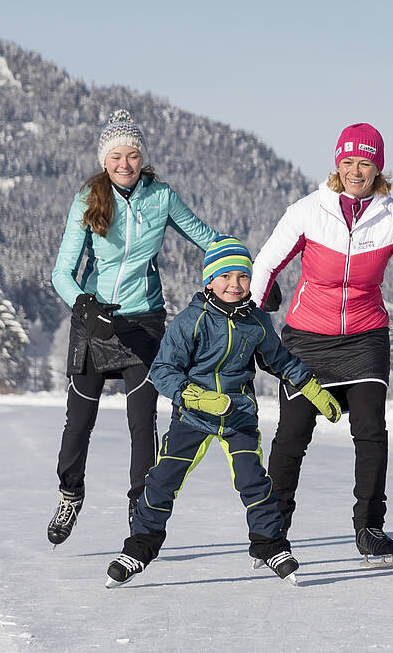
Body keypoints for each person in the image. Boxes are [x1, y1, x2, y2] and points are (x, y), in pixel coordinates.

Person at [251, 123, 393, 565]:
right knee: (292, 436)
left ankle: (369, 526)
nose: (355, 171)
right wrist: (254, 313)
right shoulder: (308, 211)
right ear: (336, 165)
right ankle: (272, 530)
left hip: (365, 338)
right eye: (347, 162)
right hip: (307, 339)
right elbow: (266, 262)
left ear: (378, 167)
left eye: (364, 163)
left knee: (370, 432)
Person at [106, 237, 342, 587]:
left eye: (242, 277)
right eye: (226, 276)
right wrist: (195, 397)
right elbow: (162, 370)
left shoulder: (257, 322)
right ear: (209, 281)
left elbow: (280, 360)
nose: (235, 284)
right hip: (192, 416)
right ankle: (139, 548)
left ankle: (269, 545)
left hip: (238, 415)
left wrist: (310, 387)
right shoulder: (191, 321)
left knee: (254, 481)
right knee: (161, 481)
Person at [47, 109, 223, 546]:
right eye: (115, 156)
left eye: (132, 155)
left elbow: (208, 238)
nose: (124, 164)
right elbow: (61, 273)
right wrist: (85, 306)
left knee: (143, 422)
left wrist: (245, 269)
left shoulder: (160, 197)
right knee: (79, 421)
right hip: (95, 321)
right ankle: (70, 494)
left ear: (142, 158)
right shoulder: (89, 196)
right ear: (104, 160)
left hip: (144, 319)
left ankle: (139, 506)